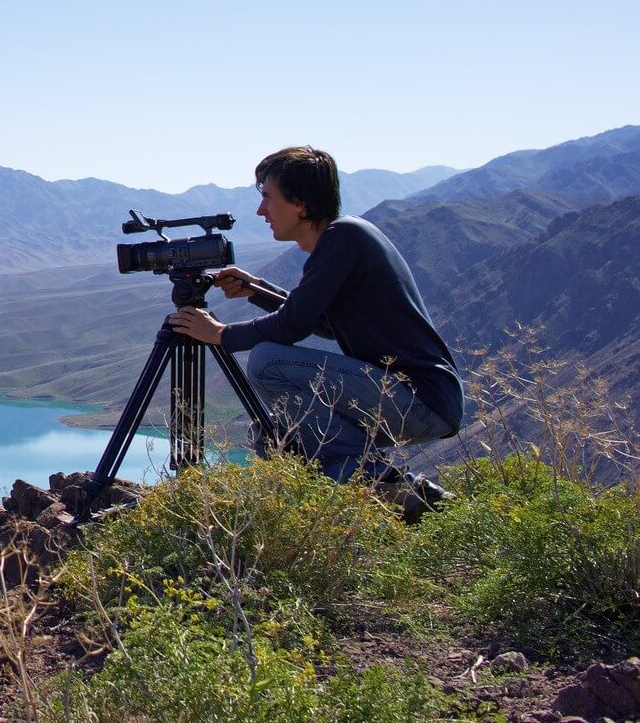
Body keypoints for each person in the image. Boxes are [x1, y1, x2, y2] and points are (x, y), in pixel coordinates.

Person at [166, 146, 464, 510]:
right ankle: (379, 502)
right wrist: (255, 289)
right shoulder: (343, 240)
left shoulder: (344, 238)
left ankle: (379, 482)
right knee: (274, 435)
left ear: (301, 204)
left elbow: (293, 325)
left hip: (420, 398)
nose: (261, 211)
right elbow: (322, 324)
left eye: (268, 198)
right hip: (410, 399)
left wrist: (220, 335)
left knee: (266, 361)